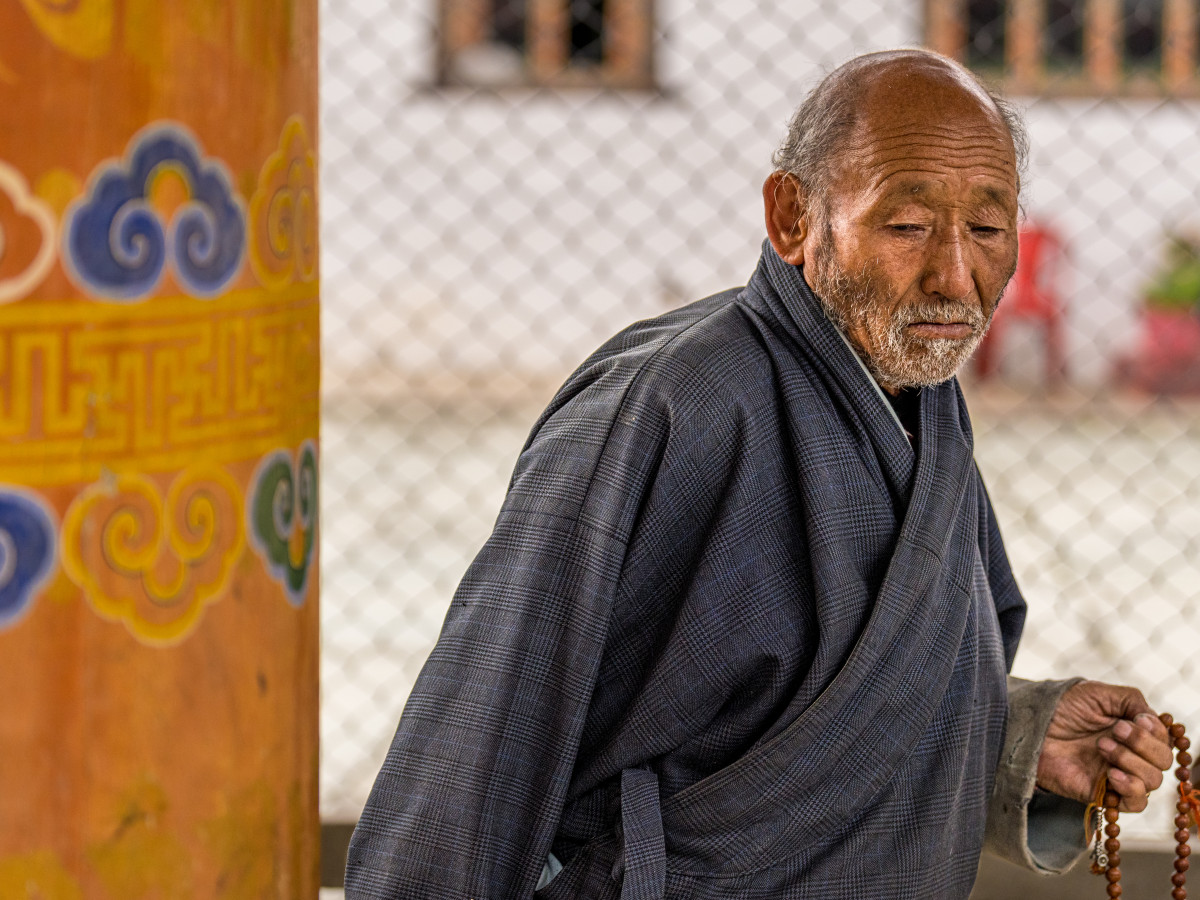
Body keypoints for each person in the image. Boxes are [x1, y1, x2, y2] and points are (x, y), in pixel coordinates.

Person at [346, 50, 1173, 899]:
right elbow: (482, 735)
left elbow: (843, 701)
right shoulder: (667, 408)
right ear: (792, 218)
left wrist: (1018, 739)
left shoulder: (919, 399)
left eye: (990, 231)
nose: (956, 278)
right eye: (907, 226)